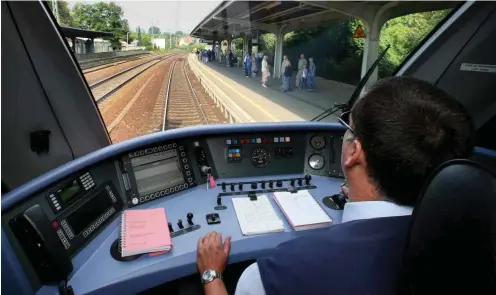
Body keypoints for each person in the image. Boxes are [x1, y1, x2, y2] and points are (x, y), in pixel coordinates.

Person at [196, 76, 475, 295]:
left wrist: (212, 275)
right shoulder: (472, 240)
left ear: (354, 152)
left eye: (348, 126)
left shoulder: (277, 273)